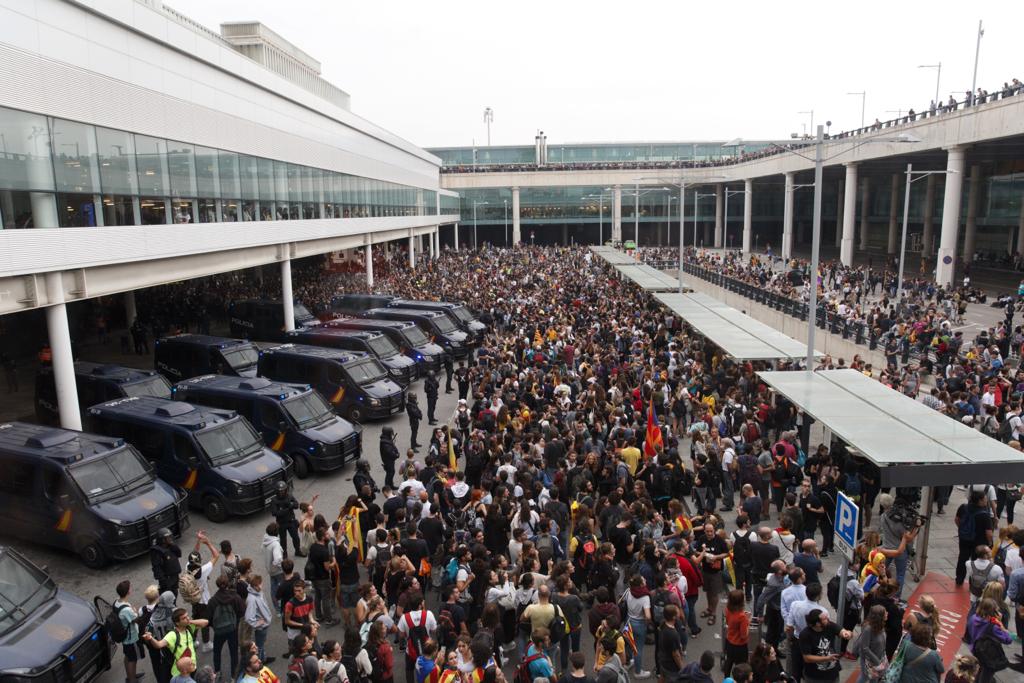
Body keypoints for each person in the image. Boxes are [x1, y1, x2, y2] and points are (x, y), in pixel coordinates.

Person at [143, 608, 211, 679]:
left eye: (187, 616)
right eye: (184, 618)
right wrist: (151, 638)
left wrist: (189, 621)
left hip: (192, 666)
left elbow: (205, 622)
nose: (187, 618)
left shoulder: (189, 627)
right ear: (177, 623)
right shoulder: (172, 635)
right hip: (180, 671)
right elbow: (158, 645)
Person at [799, 608, 853, 683]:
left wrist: (847, 633)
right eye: (825, 619)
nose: (828, 619)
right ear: (818, 624)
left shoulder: (829, 625)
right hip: (815, 677)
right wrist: (827, 658)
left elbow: (842, 631)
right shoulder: (805, 635)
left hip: (832, 674)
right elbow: (807, 658)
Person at [966, 598, 1012, 683]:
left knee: (980, 667)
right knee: (987, 673)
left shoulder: (972, 618)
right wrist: (1001, 626)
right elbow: (1008, 640)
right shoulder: (993, 626)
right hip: (986, 653)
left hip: (974, 648)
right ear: (993, 612)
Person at [208, 572, 244, 678]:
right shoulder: (235, 597)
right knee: (233, 653)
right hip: (232, 628)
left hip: (219, 630)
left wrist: (214, 626)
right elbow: (242, 611)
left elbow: (208, 618)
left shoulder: (213, 600)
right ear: (228, 584)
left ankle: (218, 672)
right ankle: (234, 675)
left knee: (217, 651)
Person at [956, 490, 994, 586]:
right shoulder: (985, 515)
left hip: (964, 539)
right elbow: (989, 533)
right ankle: (974, 582)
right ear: (980, 501)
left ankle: (959, 579)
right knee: (976, 562)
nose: (986, 500)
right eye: (985, 498)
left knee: (962, 558)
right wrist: (990, 543)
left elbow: (957, 520)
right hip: (979, 542)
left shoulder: (963, 507)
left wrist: (963, 530)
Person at [114, 579, 144, 683]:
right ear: (128, 592)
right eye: (130, 587)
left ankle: (131, 675)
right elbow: (137, 620)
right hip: (131, 638)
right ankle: (132, 679)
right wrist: (135, 612)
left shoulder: (117, 602)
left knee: (128, 656)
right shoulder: (126, 610)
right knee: (133, 659)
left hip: (125, 638)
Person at [850, 605, 886, 683]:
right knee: (865, 676)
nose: (887, 614)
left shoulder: (881, 626)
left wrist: (882, 657)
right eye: (885, 613)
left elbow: (882, 643)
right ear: (879, 617)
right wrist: (877, 661)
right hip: (868, 659)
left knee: (875, 677)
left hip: (878, 658)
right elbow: (865, 648)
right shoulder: (868, 629)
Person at [269, 482, 303, 558]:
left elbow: (297, 505)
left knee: (296, 537)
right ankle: (284, 554)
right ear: (277, 491)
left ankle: (297, 551)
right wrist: (287, 509)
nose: (282, 492)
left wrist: (291, 505)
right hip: (281, 523)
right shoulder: (274, 500)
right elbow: (274, 513)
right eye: (280, 491)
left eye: (283, 490)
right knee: (283, 540)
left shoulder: (289, 496)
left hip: (291, 521)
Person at [723, 589, 751, 678]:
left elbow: (727, 623)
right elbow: (744, 635)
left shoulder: (728, 609)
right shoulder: (742, 617)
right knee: (741, 668)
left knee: (729, 661)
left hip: (729, 641)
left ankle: (726, 678)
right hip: (740, 646)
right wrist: (748, 622)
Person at [151, 528, 182, 597]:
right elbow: (156, 568)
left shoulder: (171, 546)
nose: (170, 538)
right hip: (167, 580)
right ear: (162, 540)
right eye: (168, 537)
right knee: (167, 598)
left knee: (175, 595)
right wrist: (164, 581)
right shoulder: (157, 552)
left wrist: (173, 545)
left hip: (174, 577)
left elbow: (179, 554)